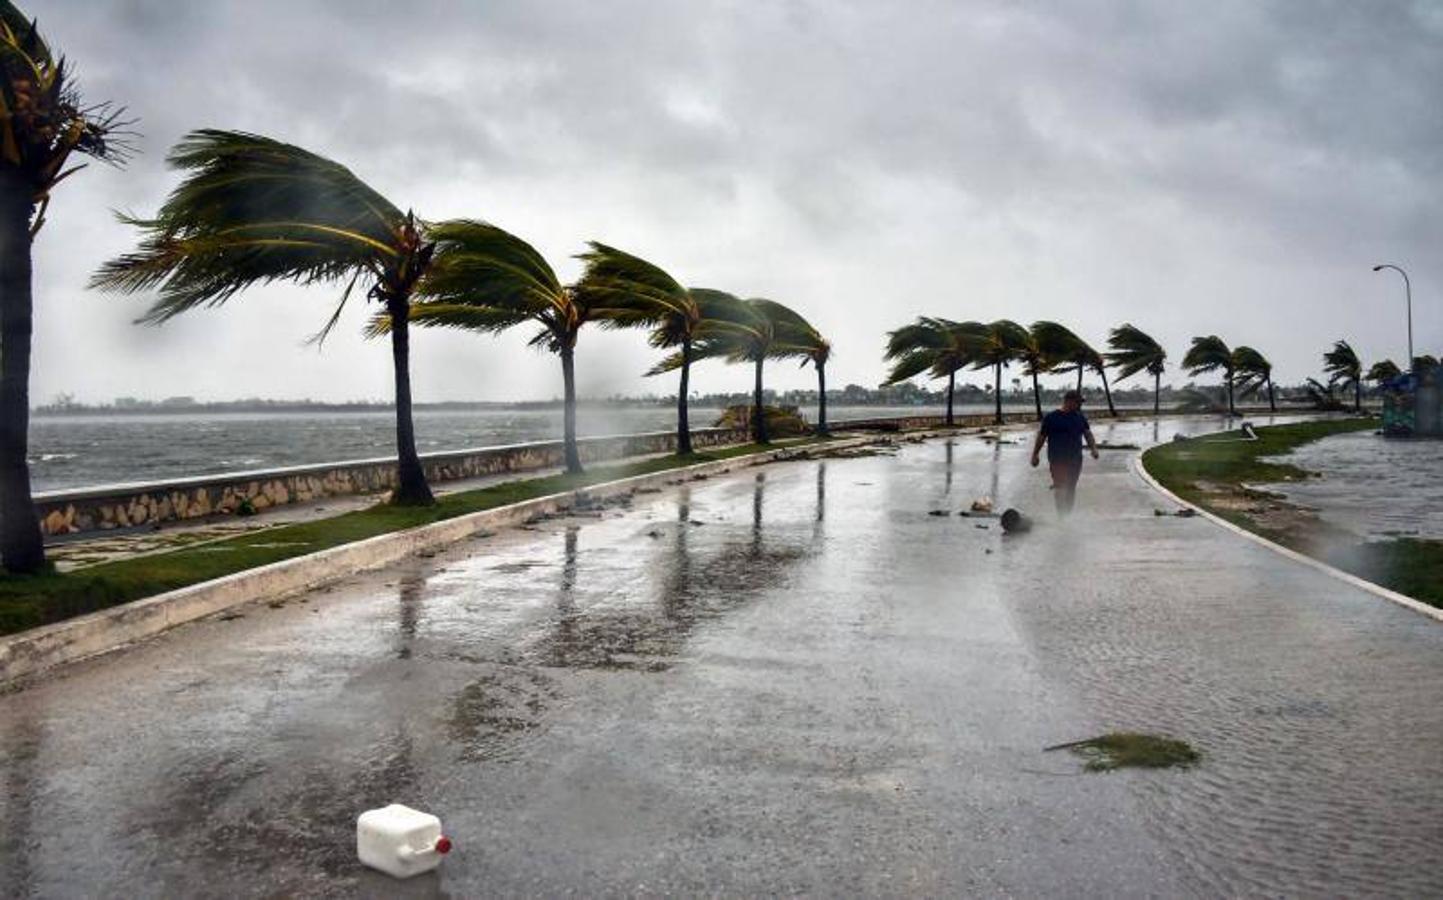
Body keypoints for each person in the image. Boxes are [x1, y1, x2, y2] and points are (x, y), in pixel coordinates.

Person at [1030, 389, 1098, 515]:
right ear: (1069, 401)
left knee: (1071, 488)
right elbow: (1041, 437)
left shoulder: (1080, 418)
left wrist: (1093, 448)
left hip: (1076, 460)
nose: (1080, 405)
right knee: (1060, 488)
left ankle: (1068, 515)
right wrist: (1035, 454)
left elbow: (1088, 434)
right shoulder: (1051, 418)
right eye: (1078, 403)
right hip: (1057, 459)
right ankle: (1061, 516)